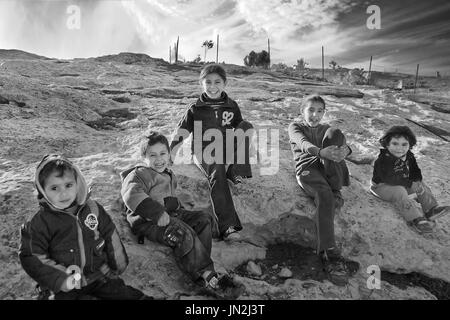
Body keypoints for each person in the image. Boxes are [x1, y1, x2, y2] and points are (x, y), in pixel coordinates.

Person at [121, 131, 237, 296]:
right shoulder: (139, 175)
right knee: (181, 232)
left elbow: (169, 197)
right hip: (149, 222)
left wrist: (180, 206)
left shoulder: (168, 174)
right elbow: (132, 195)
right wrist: (156, 213)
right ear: (143, 157)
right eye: (152, 155)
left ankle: (202, 267)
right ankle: (207, 277)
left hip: (171, 215)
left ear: (169, 154)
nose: (159, 159)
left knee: (204, 219)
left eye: (163, 153)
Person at [19, 154, 150, 300]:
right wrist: (61, 279)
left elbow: (109, 233)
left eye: (68, 185)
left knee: (122, 293)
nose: (63, 193)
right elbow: (32, 255)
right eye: (54, 188)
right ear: (42, 190)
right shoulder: (39, 222)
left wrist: (118, 263)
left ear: (77, 183)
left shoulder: (92, 209)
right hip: (65, 284)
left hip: (97, 274)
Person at [169, 64, 254, 241]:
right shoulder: (195, 108)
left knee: (246, 126)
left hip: (224, 147)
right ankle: (228, 226)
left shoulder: (231, 106)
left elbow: (239, 128)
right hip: (204, 151)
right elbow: (181, 131)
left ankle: (236, 171)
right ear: (202, 83)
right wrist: (172, 152)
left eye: (217, 82)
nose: (213, 86)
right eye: (208, 82)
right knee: (217, 169)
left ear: (225, 83)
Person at [288, 94, 358, 282]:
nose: (315, 115)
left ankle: (335, 189)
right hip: (307, 169)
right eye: (310, 109)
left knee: (336, 133)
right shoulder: (295, 127)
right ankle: (329, 252)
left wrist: (346, 150)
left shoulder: (327, 129)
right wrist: (320, 152)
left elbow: (343, 144)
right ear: (302, 111)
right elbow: (303, 143)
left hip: (328, 167)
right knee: (325, 197)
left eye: (320, 111)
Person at [370, 125, 449, 233]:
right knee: (400, 191)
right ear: (387, 144)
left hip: (401, 183)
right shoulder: (383, 160)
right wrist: (410, 184)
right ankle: (416, 218)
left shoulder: (409, 156)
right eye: (395, 143)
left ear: (410, 145)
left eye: (404, 144)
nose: (399, 148)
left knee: (420, 185)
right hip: (381, 187)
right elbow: (389, 178)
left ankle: (431, 210)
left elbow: (415, 170)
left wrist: (416, 181)